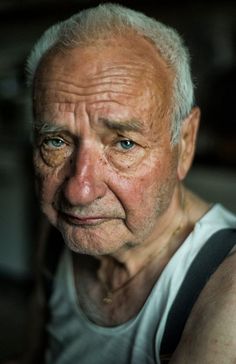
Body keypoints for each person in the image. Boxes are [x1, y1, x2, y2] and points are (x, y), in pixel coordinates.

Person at [20, 3, 236, 364]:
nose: (78, 192)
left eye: (124, 143)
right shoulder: (60, 236)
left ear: (185, 143)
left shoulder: (224, 294)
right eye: (56, 142)